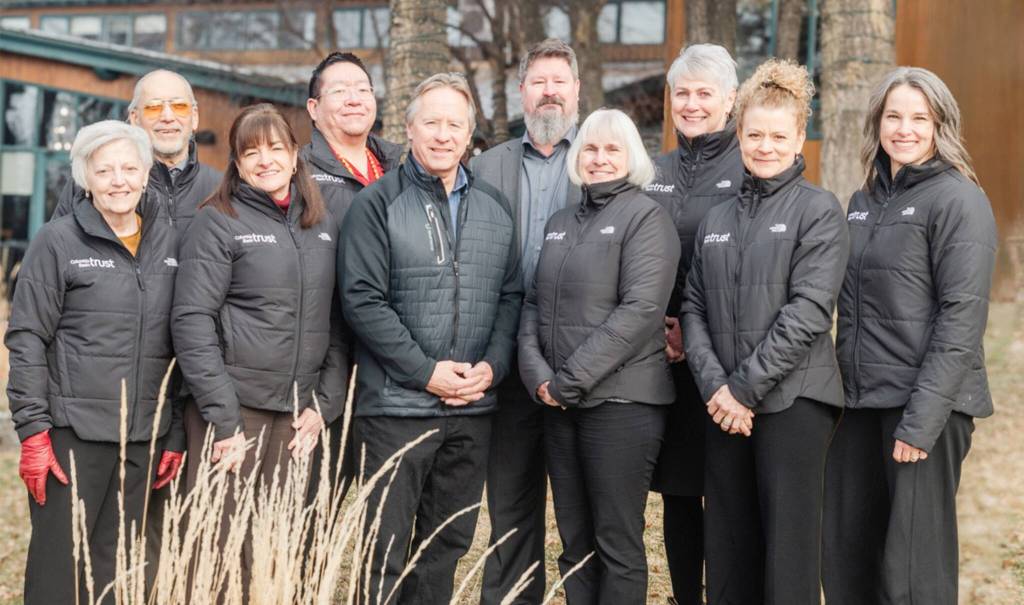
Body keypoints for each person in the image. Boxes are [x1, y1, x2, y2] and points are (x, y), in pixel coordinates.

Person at [339, 72, 522, 604]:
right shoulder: (375, 205)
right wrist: (426, 373)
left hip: (471, 408)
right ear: (410, 128)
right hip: (397, 409)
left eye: (455, 124)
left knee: (447, 546)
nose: (443, 135)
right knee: (385, 551)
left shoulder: (494, 206)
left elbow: (510, 297)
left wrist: (493, 367)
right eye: (432, 122)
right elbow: (362, 301)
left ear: (470, 135)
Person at [823, 67, 997, 605]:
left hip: (924, 410)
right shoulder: (863, 200)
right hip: (860, 405)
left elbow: (961, 320)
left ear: (940, 125)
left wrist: (920, 425)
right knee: (851, 559)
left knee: (912, 572)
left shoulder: (958, 200)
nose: (904, 129)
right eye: (894, 116)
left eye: (920, 118)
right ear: (877, 122)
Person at [681, 59, 849, 605]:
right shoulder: (717, 219)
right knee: (729, 550)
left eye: (779, 135)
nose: (766, 146)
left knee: (788, 554)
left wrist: (741, 390)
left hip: (794, 404)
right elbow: (694, 307)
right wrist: (715, 390)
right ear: (739, 135)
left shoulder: (819, 212)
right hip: (724, 408)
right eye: (755, 134)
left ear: (800, 137)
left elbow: (807, 313)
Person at [171, 103, 348, 592]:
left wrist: (324, 405)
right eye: (251, 152)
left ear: (295, 155)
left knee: (276, 547)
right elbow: (191, 319)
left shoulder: (321, 225)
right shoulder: (218, 221)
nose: (264, 160)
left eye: (275, 148)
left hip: (296, 417)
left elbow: (335, 319)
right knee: (218, 552)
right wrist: (222, 419)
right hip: (234, 412)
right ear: (237, 162)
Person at [6, 121, 182, 604]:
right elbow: (26, 338)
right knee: (59, 573)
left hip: (145, 436)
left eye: (129, 167)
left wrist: (177, 431)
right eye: (104, 170)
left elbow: (185, 341)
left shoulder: (171, 243)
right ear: (85, 178)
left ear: (147, 173)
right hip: (72, 436)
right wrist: (33, 433)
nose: (118, 180)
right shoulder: (57, 241)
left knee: (121, 573)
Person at [518, 108, 680, 604]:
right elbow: (532, 302)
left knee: (617, 543)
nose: (599, 158)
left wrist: (569, 381)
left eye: (613, 149)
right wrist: (538, 376)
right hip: (559, 405)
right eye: (590, 147)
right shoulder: (561, 222)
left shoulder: (647, 219)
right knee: (574, 544)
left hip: (622, 405)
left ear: (631, 157)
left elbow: (640, 311)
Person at [471, 38, 581, 605]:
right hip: (508, 361)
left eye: (559, 81)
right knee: (511, 509)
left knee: (580, 515)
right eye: (538, 81)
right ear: (521, 93)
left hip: (580, 367)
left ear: (577, 91)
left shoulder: (602, 157)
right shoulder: (486, 167)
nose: (549, 92)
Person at [643, 43, 742, 605]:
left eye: (706, 93)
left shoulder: (749, 164)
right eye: (683, 93)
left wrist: (695, 334)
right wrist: (657, 326)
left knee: (726, 495)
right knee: (678, 497)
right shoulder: (653, 169)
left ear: (730, 99)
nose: (693, 103)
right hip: (661, 359)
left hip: (725, 363)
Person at [301, 50, 404, 507]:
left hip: (390, 360)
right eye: (339, 91)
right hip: (322, 359)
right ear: (314, 108)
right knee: (313, 507)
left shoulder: (402, 168)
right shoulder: (297, 171)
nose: (354, 99)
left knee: (383, 513)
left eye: (363, 89)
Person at [51, 69, 222, 235]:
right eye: (154, 108)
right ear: (135, 118)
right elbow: (56, 250)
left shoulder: (222, 189)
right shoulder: (91, 183)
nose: (168, 117)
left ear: (195, 117)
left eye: (179, 106)